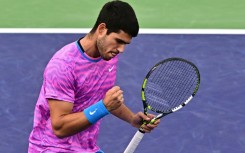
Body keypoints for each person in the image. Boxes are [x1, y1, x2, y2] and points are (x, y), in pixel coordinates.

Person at [28, 0, 160, 152]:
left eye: (125, 44)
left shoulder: (108, 56)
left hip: (85, 148)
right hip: (52, 148)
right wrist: (103, 107)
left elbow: (103, 98)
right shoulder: (63, 65)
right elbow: (60, 128)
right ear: (102, 29)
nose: (121, 50)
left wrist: (132, 119)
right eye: (118, 41)